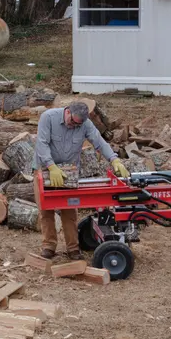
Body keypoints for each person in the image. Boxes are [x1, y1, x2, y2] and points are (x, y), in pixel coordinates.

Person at [34, 101, 131, 260]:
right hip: (45, 168)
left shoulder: (85, 124)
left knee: (70, 209)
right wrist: (51, 167)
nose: (74, 126)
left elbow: (99, 142)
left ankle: (73, 248)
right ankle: (49, 246)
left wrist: (114, 159)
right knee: (46, 209)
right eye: (72, 122)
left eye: (77, 124)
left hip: (70, 171)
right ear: (68, 112)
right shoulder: (48, 117)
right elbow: (41, 143)